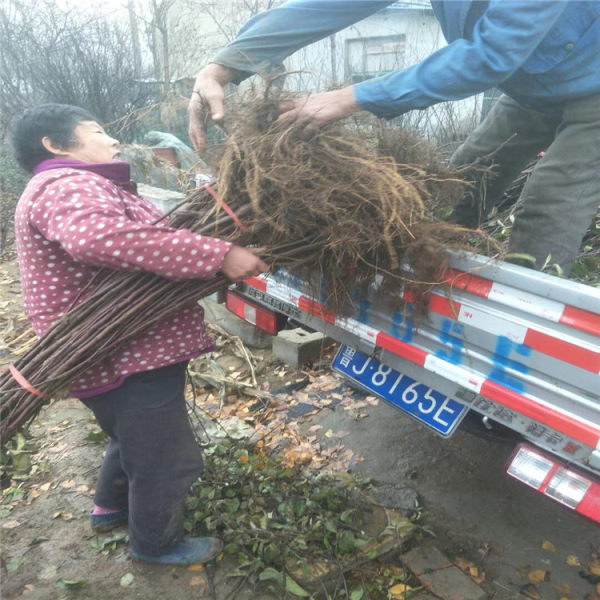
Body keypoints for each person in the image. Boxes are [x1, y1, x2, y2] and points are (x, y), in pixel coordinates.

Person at [12, 103, 268, 565]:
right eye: (97, 131)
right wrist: (217, 255)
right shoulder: (66, 184)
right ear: (54, 144)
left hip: (119, 348)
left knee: (131, 433)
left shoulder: (74, 184)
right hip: (125, 352)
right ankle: (155, 544)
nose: (111, 140)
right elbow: (96, 239)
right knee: (166, 457)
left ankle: (109, 509)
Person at [188, 0, 600, 274]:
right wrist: (226, 65)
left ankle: (523, 330)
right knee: (462, 181)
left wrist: (354, 96)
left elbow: (491, 54)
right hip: (531, 84)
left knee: (551, 203)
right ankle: (427, 277)